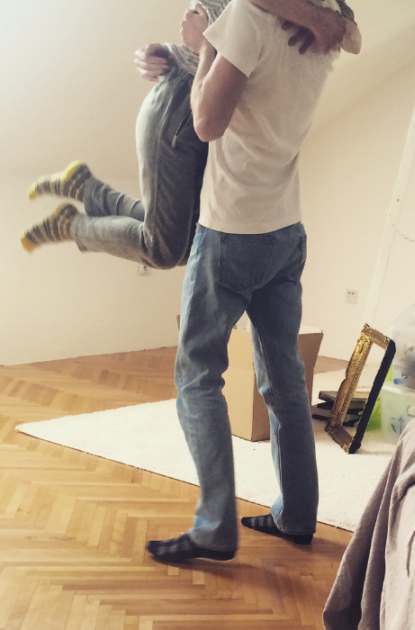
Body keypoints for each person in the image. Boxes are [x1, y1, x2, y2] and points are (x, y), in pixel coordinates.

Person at [145, 0, 342, 563]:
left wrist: (204, 41)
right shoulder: (323, 21)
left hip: (231, 231)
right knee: (285, 381)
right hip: (285, 230)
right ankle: (298, 515)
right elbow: (348, 35)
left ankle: (214, 528)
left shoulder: (245, 19)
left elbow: (207, 123)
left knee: (197, 376)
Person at [19, 0, 359, 269]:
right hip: (181, 102)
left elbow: (352, 35)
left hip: (213, 105)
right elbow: (227, 21)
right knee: (166, 250)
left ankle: (86, 187)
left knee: (186, 241)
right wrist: (315, 18)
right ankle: (72, 225)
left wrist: (327, 20)